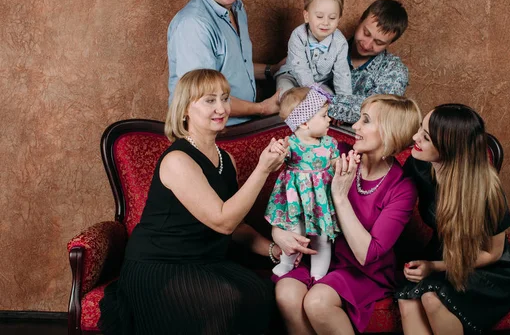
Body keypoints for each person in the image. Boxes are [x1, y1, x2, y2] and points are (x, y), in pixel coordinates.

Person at [99, 69, 287, 335]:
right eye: (210, 100)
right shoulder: (177, 160)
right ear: (186, 108)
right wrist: (263, 169)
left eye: (225, 98)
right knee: (226, 300)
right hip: (159, 266)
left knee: (259, 291)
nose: (221, 108)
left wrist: (275, 250)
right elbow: (223, 221)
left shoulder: (226, 160)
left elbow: (238, 227)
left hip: (204, 262)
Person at [273, 95, 421, 334]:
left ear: (389, 132)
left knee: (318, 302)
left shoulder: (402, 188)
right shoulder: (335, 152)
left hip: (362, 272)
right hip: (320, 258)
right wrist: (277, 231)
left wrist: (340, 197)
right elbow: (291, 192)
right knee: (287, 294)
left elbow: (367, 254)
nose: (354, 126)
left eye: (365, 120)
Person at [396, 104, 510, 335]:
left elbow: (493, 253)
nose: (415, 138)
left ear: (448, 148)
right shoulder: (419, 165)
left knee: (433, 299)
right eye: (419, 129)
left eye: (425, 137)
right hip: (442, 256)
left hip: (485, 270)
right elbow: (388, 191)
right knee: (407, 299)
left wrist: (434, 267)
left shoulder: (487, 190)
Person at [167, 0, 279, 125]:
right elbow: (204, 98)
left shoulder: (237, 9)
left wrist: (271, 70)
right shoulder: (194, 24)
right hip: (209, 135)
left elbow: (234, 67)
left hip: (241, 127)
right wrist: (262, 109)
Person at [265, 86, 341, 280]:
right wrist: (276, 151)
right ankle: (286, 263)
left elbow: (335, 164)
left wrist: (342, 165)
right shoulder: (290, 144)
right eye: (324, 115)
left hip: (321, 202)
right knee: (294, 232)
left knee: (322, 238)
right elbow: (275, 164)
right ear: (305, 122)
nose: (329, 120)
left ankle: (318, 274)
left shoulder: (329, 143)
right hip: (295, 201)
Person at [326, 0, 411, 124]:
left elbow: (376, 111)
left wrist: (327, 105)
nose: (367, 44)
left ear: (390, 43)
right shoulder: (327, 46)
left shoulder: (395, 71)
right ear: (360, 21)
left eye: (379, 42)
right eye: (366, 33)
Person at [275, 0, 352, 96]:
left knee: (329, 99)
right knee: (286, 95)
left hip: (320, 83)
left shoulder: (340, 42)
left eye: (332, 18)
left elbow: (342, 73)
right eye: (320, 16)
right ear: (307, 16)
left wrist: (345, 100)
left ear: (339, 19)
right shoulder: (298, 35)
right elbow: (300, 68)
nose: (325, 22)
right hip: (291, 76)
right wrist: (312, 94)